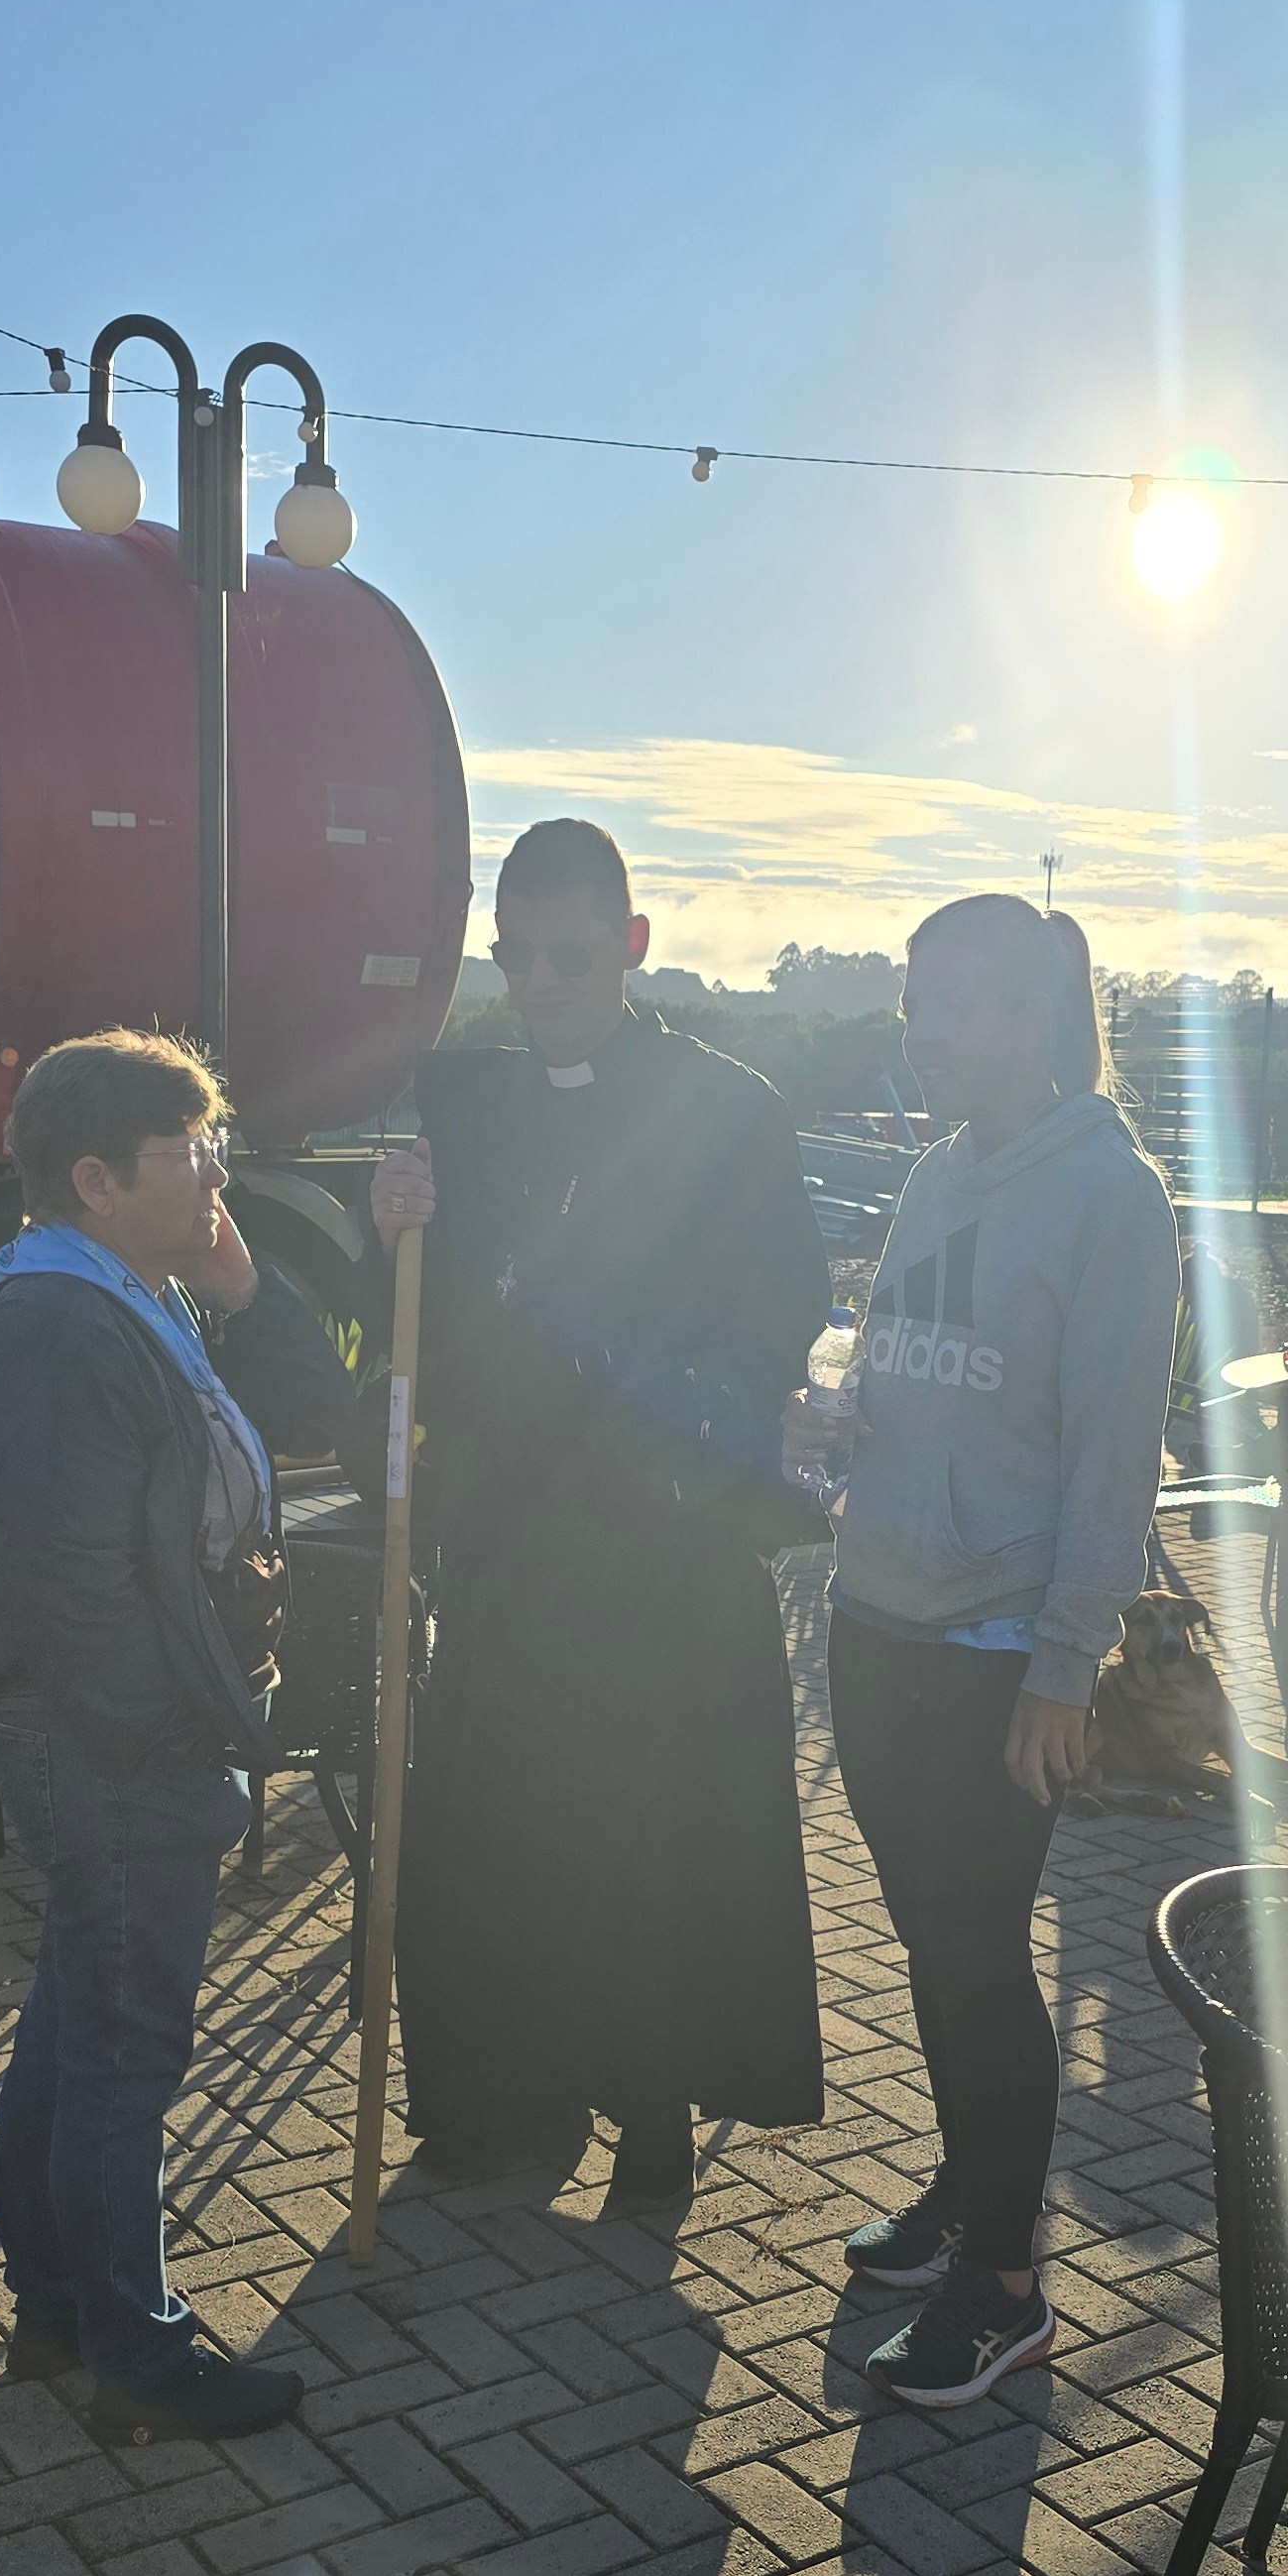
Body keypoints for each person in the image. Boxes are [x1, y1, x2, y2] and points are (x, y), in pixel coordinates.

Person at [374, 817, 827, 2210]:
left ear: (630, 946)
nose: (542, 981)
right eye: (516, 954)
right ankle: (503, 2099)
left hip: (658, 1549)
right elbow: (410, 1323)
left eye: (571, 953)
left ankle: (650, 2107)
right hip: (510, 1544)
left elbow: (781, 1312)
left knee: (655, 1833)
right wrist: (392, 1235)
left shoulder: (727, 1108)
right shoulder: (461, 1103)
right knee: (505, 1822)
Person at [0, 1030, 352, 2439]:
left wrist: (243, 1280)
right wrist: (173, 1739)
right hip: (120, 1747)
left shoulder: (127, 1291)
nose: (216, 1173)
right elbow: (67, 1587)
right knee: (125, 2052)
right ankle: (134, 2344)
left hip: (128, 1738)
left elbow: (322, 1414)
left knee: (76, 2034)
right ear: (94, 1176)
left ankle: (60, 2315)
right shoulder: (61, 1326)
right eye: (192, 1153)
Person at [817, 893, 1180, 2409]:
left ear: (1032, 1018)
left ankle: (1010, 2284)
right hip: (872, 1613)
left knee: (980, 1956)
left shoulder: (1113, 1196)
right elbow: (899, 1359)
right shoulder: (931, 1176)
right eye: (913, 1002)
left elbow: (1118, 1457)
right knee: (929, 1940)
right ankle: (972, 2186)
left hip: (992, 1646)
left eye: (950, 1004)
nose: (921, 1032)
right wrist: (837, 1415)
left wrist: (1065, 1662)